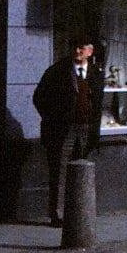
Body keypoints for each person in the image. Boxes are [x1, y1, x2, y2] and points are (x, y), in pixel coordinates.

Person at [33, 34, 104, 225]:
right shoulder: (57, 71)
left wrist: (93, 129)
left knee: (81, 170)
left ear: (90, 51)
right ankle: (58, 214)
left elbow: (97, 104)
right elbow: (39, 97)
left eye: (82, 48)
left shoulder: (96, 73)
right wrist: (53, 119)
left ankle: (77, 212)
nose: (77, 51)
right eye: (74, 47)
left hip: (85, 129)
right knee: (60, 171)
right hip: (62, 129)